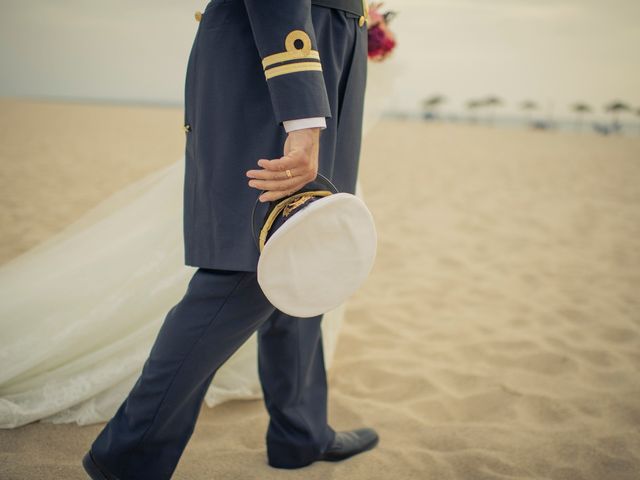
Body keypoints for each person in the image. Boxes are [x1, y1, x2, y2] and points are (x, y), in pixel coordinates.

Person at [80, 0, 378, 478]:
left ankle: (299, 432)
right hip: (281, 59)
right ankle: (127, 458)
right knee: (249, 266)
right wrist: (302, 117)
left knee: (306, 241)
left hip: (319, 46)